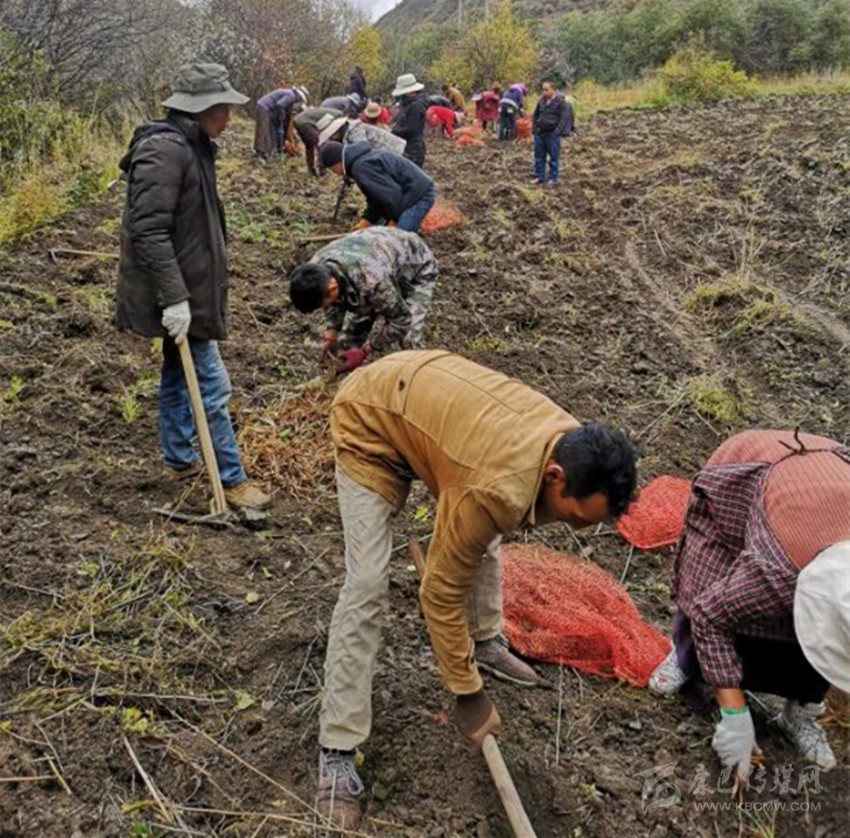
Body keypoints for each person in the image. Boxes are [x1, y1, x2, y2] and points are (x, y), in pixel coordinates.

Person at [314, 350, 638, 827]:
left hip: (431, 410)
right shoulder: (497, 484)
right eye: (576, 517)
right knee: (366, 585)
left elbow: (486, 508)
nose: (578, 529)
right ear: (555, 476)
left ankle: (485, 642)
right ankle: (337, 750)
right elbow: (440, 594)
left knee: (482, 527)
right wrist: (467, 693)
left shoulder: (569, 443)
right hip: (371, 421)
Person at [649, 430, 850, 777]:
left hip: (824, 485)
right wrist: (734, 715)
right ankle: (683, 656)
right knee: (712, 582)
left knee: (827, 639)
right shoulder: (778, 572)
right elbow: (710, 616)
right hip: (751, 469)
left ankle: (801, 711)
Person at [115, 63, 270, 511]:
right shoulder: (165, 151)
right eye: (224, 108)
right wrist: (175, 298)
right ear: (202, 108)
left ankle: (180, 458)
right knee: (212, 387)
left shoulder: (194, 145)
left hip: (192, 285)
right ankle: (231, 480)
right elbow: (148, 230)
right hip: (178, 289)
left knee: (176, 373)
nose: (229, 117)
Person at [288, 227, 437, 374]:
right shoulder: (316, 268)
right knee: (347, 343)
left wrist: (366, 351)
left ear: (332, 289)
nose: (325, 307)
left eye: (322, 305)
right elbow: (334, 301)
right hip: (378, 255)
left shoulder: (373, 282)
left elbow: (402, 320)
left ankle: (422, 376)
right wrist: (331, 335)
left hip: (416, 264)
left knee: (410, 337)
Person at [320, 141, 436, 234]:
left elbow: (392, 196)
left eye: (331, 169)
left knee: (396, 239)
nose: (334, 173)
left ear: (337, 163)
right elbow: (376, 198)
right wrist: (366, 221)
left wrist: (394, 222)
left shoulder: (362, 167)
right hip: (408, 193)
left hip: (418, 194)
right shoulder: (360, 161)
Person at [530, 80, 574, 187]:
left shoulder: (561, 102)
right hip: (540, 133)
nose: (544, 92)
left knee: (554, 157)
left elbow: (564, 118)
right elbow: (535, 115)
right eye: (543, 90)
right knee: (539, 156)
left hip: (552, 134)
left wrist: (557, 131)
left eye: (546, 90)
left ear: (553, 89)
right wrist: (534, 129)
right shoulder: (541, 101)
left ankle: (553, 178)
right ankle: (540, 176)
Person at [254, 86, 308, 158]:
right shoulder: (291, 96)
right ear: (299, 97)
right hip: (264, 107)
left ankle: (266, 152)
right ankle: (259, 153)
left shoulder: (288, 93)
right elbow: (279, 105)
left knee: (268, 131)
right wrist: (281, 116)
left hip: (267, 109)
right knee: (263, 130)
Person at [318, 116, 406, 156]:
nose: (332, 138)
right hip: (390, 153)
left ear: (336, 130)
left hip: (397, 150)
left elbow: (363, 149)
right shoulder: (348, 131)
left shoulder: (354, 131)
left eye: (332, 135)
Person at [390, 73, 428, 168]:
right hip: (408, 145)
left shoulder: (415, 106)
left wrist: (393, 132)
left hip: (413, 148)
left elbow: (412, 129)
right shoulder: (408, 105)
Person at [293, 107, 343, 176]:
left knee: (309, 145)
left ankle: (311, 169)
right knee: (320, 144)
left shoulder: (334, 112)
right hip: (306, 123)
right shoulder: (340, 116)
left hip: (298, 120)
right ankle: (322, 170)